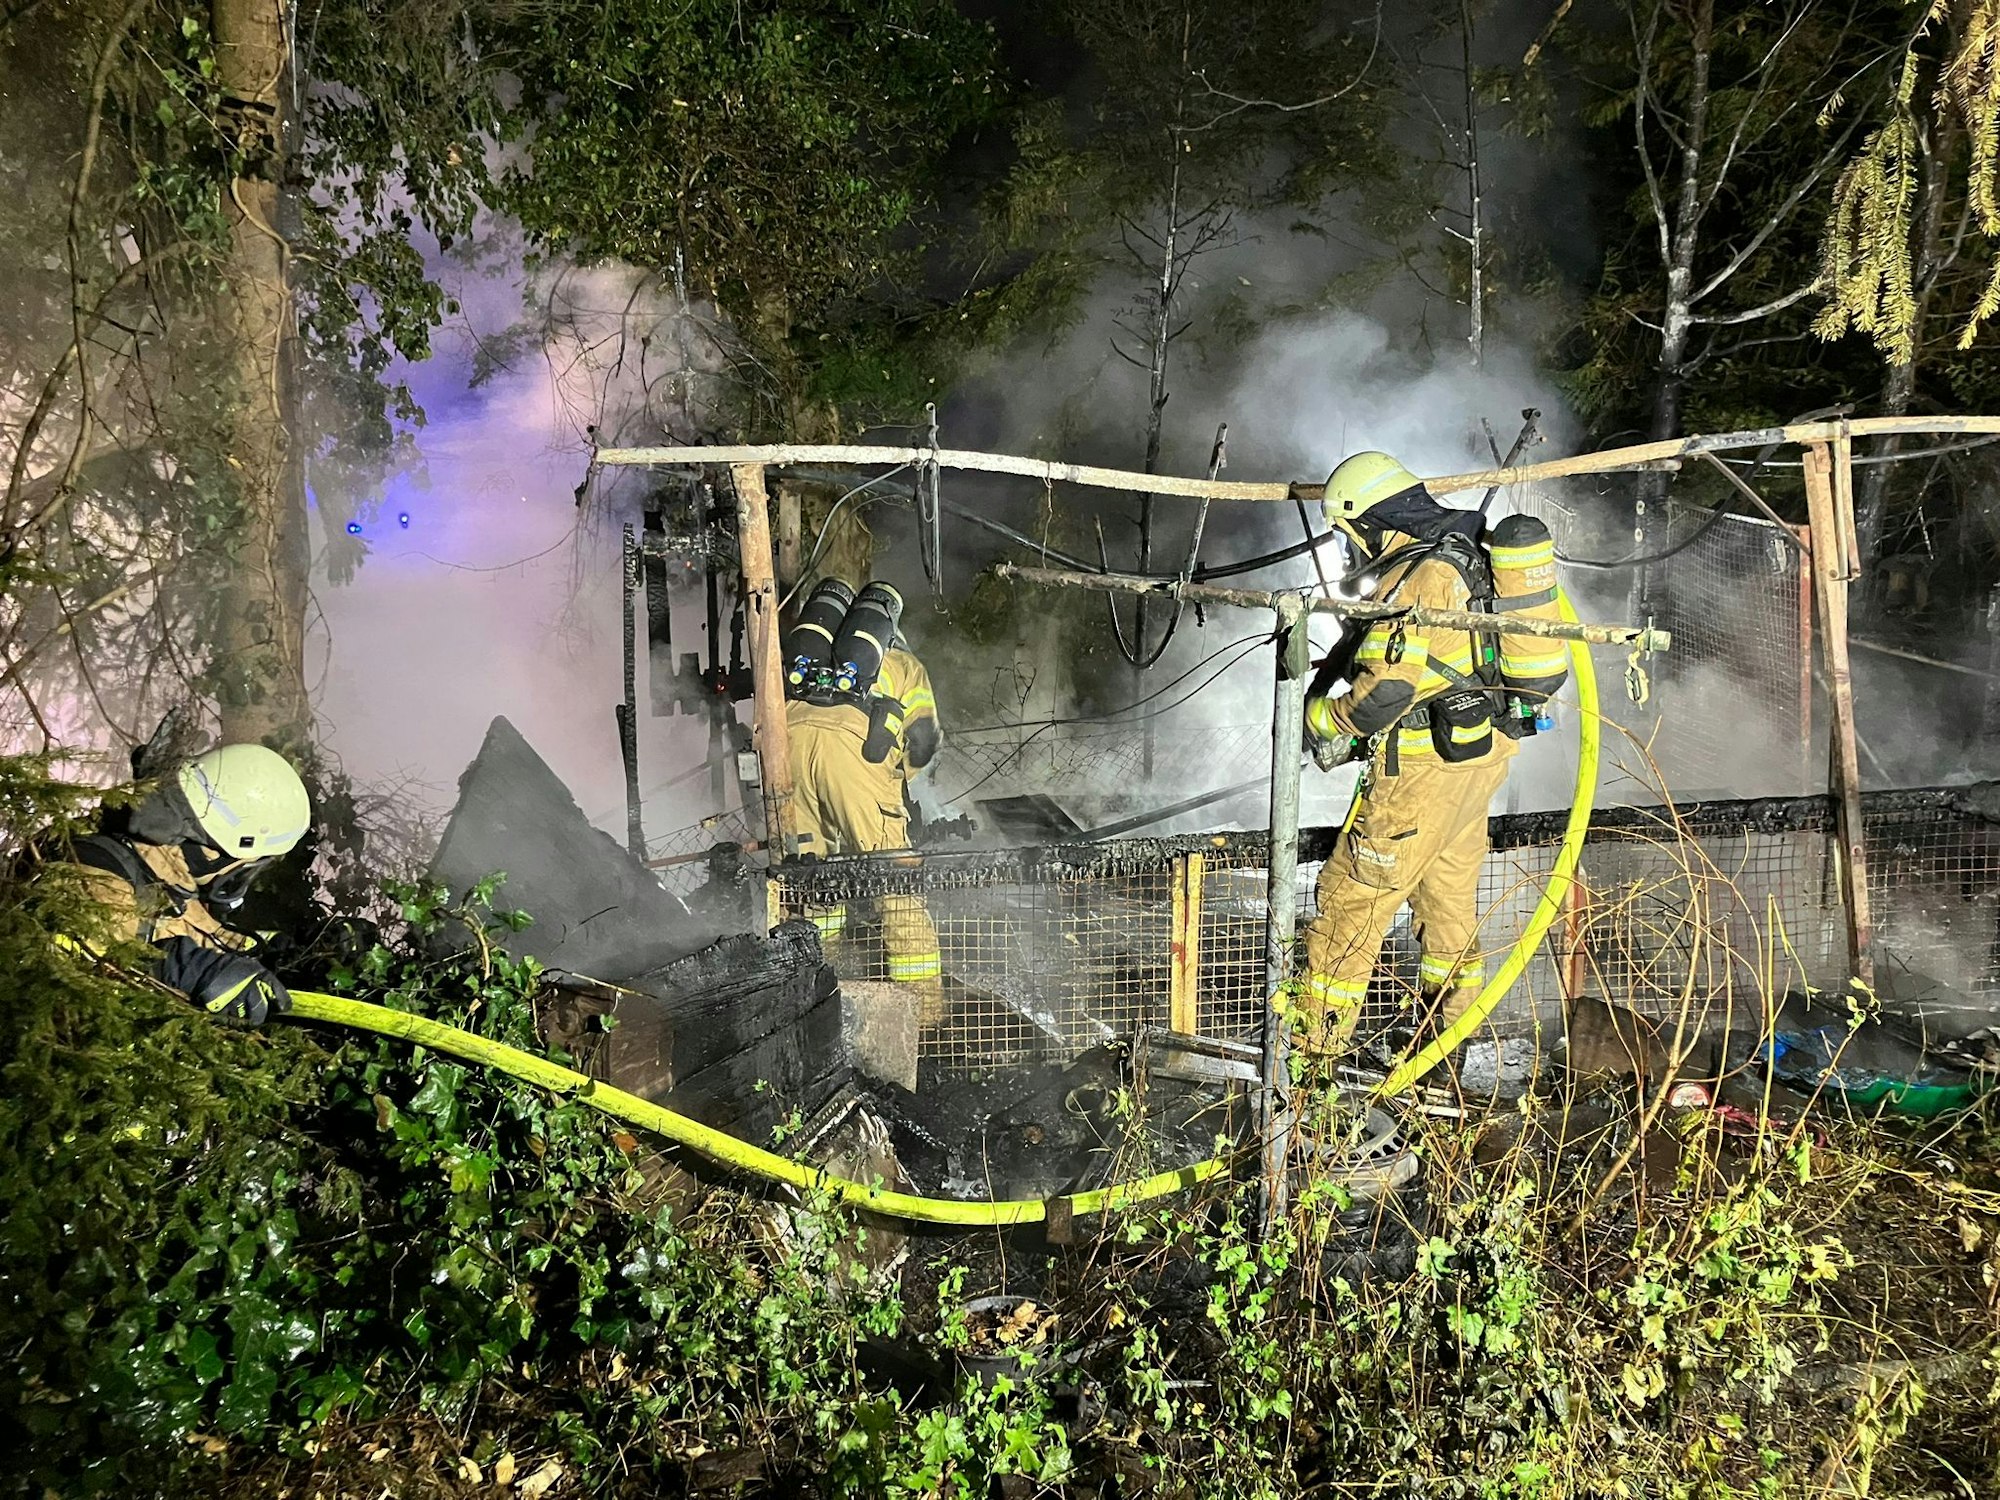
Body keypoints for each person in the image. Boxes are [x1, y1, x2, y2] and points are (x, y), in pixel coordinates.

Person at [1297, 451, 1563, 1054]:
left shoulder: (1420, 575)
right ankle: (1442, 1057)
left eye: (1349, 534)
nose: (1351, 550)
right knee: (1447, 909)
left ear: (1369, 523)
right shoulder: (1465, 550)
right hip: (1477, 760)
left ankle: (1314, 1071)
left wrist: (1319, 717)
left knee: (1349, 908)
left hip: (1420, 773)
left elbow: (1384, 696)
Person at [50, 743, 311, 1026]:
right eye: (247, 864)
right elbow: (63, 979)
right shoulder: (93, 872)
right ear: (216, 850)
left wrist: (290, 951)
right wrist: (173, 968)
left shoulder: (168, 877)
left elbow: (210, 938)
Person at [783, 580, 945, 1022]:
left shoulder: (815, 658)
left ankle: (816, 984)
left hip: (788, 744)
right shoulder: (905, 665)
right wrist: (895, 780)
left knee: (811, 872)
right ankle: (924, 1014)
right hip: (855, 754)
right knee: (896, 883)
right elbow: (924, 741)